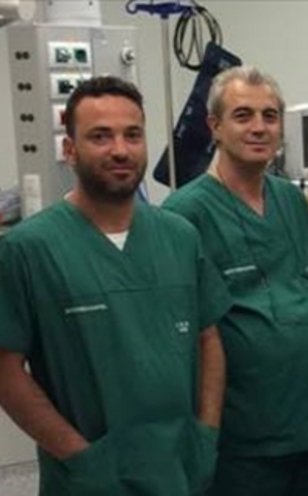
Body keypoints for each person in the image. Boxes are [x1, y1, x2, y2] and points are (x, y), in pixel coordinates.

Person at [0, 76, 230, 495]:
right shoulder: (28, 249)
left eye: (132, 135)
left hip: (180, 469)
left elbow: (208, 338)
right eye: (100, 136)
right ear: (70, 150)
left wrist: (206, 433)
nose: (120, 150)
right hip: (89, 478)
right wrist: (80, 457)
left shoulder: (180, 236)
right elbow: (6, 370)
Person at [163, 67, 308, 496]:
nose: (259, 127)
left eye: (269, 116)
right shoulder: (184, 215)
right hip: (243, 434)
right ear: (214, 126)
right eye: (243, 115)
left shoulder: (291, 199)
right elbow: (180, 336)